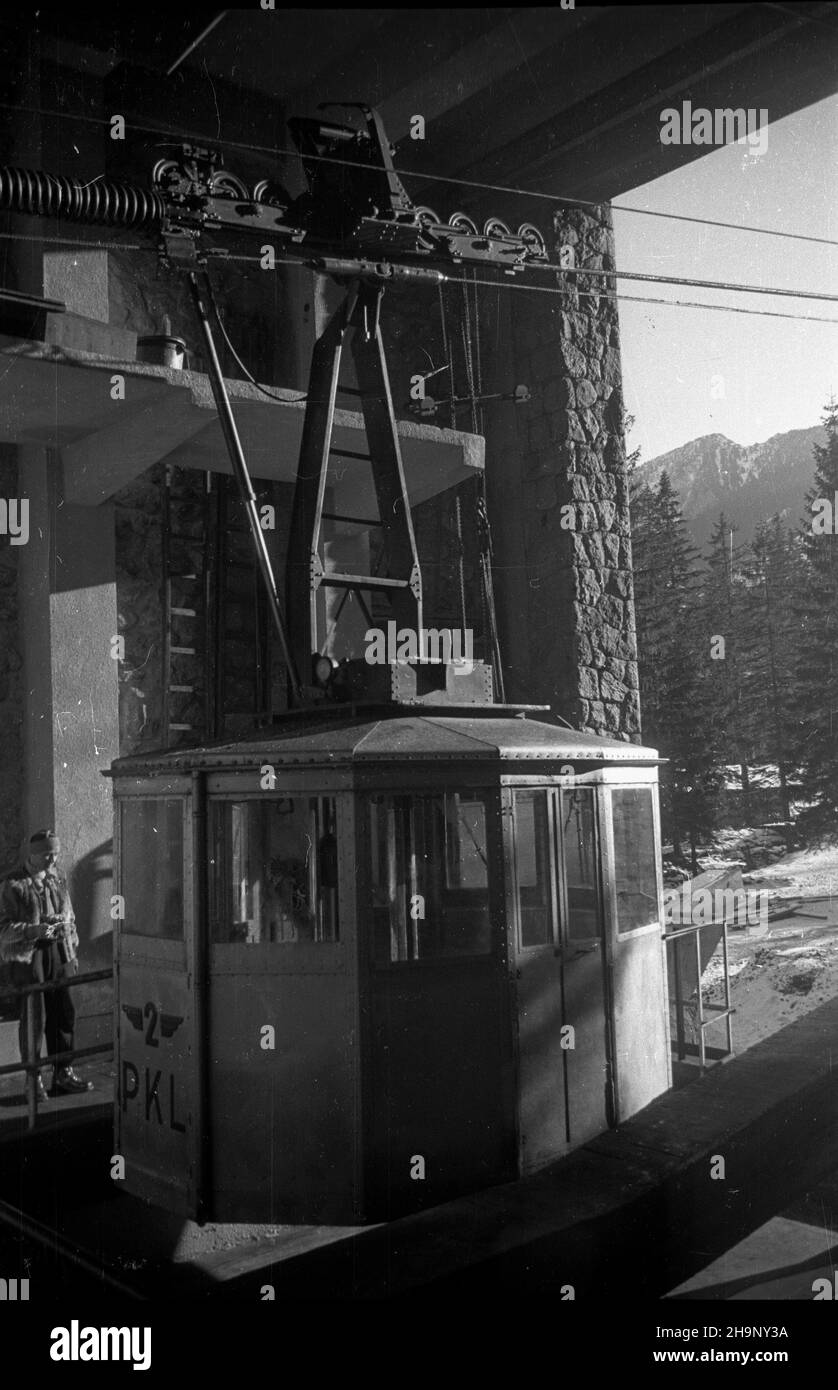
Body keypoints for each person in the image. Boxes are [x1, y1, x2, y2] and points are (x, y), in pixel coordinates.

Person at [0, 830, 93, 1100]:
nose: (53, 858)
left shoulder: (58, 877)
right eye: (47, 854)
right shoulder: (12, 884)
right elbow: (3, 929)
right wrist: (34, 931)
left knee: (64, 1013)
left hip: (59, 953)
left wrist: (71, 952)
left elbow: (70, 916)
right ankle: (34, 1079)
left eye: (56, 853)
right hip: (30, 958)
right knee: (34, 1018)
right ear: (32, 855)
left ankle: (63, 1073)